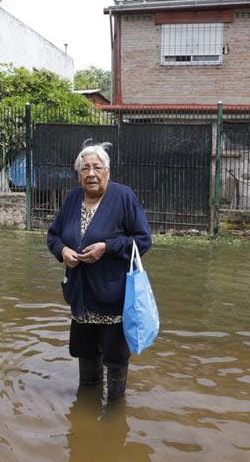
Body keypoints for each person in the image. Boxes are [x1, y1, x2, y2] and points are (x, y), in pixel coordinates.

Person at [47, 141, 152, 401]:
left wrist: (108, 247)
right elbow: (53, 236)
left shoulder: (123, 197)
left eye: (96, 168)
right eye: (85, 169)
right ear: (79, 174)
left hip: (112, 298)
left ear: (107, 171)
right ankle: (87, 406)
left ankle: (115, 413)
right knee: (86, 356)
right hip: (81, 297)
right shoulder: (72, 198)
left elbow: (144, 240)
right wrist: (62, 251)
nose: (91, 174)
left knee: (115, 360)